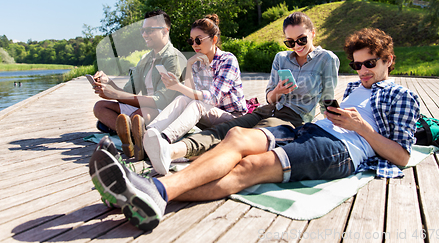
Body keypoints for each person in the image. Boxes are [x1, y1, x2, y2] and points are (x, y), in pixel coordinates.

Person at [88, 28, 421, 231]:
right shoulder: (354, 89)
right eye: (357, 64)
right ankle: (141, 193)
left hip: (341, 150)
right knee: (236, 136)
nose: (361, 70)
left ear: (388, 60)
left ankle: (152, 192)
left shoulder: (401, 94)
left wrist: (360, 127)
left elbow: (402, 157)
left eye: (369, 64)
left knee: (249, 168)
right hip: (312, 130)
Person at [144, 11, 340, 175]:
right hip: (268, 109)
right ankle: (168, 151)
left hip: (294, 117)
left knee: (242, 137)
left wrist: (328, 128)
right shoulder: (281, 58)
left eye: (301, 39)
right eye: (290, 42)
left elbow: (328, 99)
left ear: (313, 33)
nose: (297, 46)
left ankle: (179, 154)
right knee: (227, 129)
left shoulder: (326, 59)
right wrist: (278, 91)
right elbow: (270, 97)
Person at [139, 14, 247, 174]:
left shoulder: (227, 60)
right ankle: (149, 135)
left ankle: (163, 142)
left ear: (214, 39)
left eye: (198, 40)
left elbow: (213, 98)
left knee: (195, 103)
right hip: (207, 114)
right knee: (183, 99)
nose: (194, 45)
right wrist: (189, 65)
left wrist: (178, 86)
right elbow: (189, 93)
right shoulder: (197, 61)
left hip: (233, 117)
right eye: (191, 41)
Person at [91, 10, 185, 159]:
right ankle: (132, 135)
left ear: (165, 31)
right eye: (143, 30)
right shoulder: (146, 59)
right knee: (100, 107)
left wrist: (114, 94)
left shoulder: (173, 58)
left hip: (164, 110)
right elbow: (128, 91)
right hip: (144, 108)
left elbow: (162, 101)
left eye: (149, 30)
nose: (144, 35)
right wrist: (108, 83)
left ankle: (124, 132)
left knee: (140, 115)